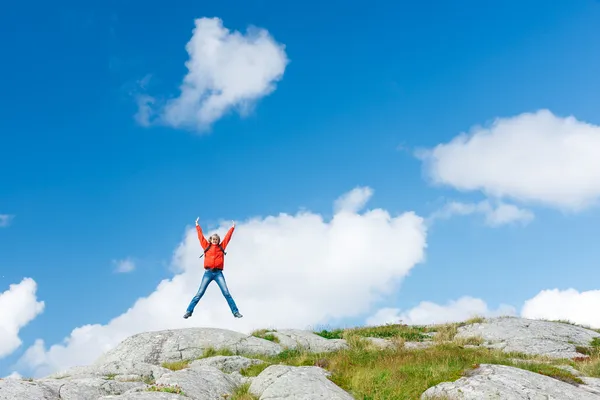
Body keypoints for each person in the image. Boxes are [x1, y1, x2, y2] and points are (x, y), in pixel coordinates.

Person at [183, 217, 243, 319]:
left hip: (218, 273)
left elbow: (227, 237)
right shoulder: (206, 246)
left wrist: (233, 228)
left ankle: (235, 312)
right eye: (213, 239)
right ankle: (189, 311)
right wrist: (197, 225)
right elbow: (200, 236)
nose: (215, 241)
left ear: (218, 241)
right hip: (208, 273)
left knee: (226, 293)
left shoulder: (221, 247)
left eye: (216, 239)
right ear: (210, 240)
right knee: (199, 293)